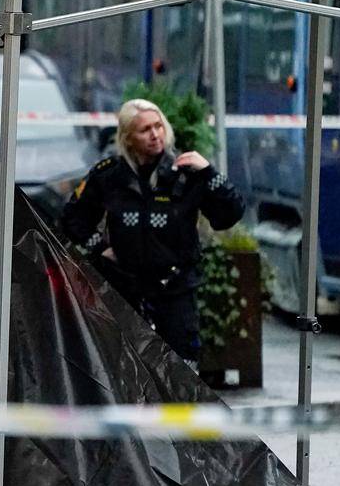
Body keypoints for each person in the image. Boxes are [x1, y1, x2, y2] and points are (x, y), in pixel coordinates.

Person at [60, 98, 245, 365]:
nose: (155, 134)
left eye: (158, 126)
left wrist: (209, 172)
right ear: (128, 138)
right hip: (124, 291)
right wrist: (99, 247)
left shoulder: (186, 172)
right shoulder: (109, 175)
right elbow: (72, 218)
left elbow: (230, 214)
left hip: (175, 291)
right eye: (145, 129)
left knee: (179, 375)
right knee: (124, 372)